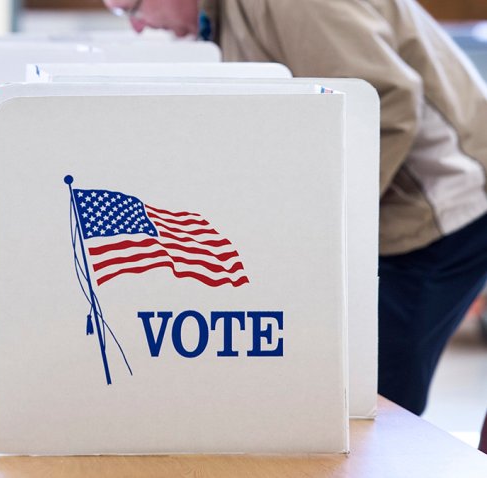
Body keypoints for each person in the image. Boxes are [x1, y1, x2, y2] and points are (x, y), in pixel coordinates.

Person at [103, 0, 487, 433]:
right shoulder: (228, 15)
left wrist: (309, 230)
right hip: (391, 208)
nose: (138, 28)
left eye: (131, 8)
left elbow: (385, 103)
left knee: (364, 402)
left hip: (439, 207)